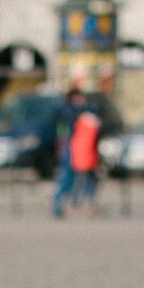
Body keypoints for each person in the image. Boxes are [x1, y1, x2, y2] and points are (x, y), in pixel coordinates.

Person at [64, 94, 104, 215]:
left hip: (79, 155)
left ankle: (79, 204)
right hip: (87, 157)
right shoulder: (92, 126)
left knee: (82, 180)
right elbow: (92, 144)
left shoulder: (79, 123)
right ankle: (82, 204)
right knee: (86, 181)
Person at [50, 88, 87, 218]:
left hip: (71, 146)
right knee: (67, 176)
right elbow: (65, 131)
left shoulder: (70, 110)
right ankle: (57, 202)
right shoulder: (68, 111)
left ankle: (62, 203)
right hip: (69, 146)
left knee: (70, 176)